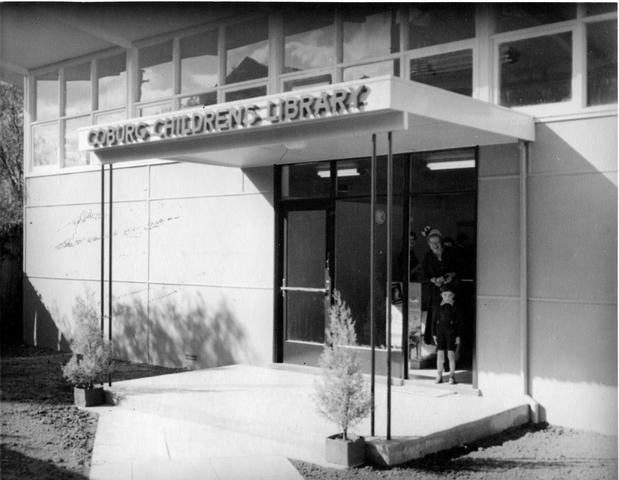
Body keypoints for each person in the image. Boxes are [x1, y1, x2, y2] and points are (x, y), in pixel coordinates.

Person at [421, 227, 458, 345]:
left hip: (449, 292)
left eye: (437, 243)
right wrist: (432, 279)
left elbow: (457, 270)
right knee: (436, 318)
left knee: (449, 317)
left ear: (441, 242)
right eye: (433, 243)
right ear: (429, 244)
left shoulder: (449, 253)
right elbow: (423, 275)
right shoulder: (428, 257)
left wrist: (447, 276)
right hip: (436, 292)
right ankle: (437, 344)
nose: (435, 245)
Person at [432, 285, 462, 384]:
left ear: (453, 296)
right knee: (440, 355)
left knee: (451, 355)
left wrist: (458, 336)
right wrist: (434, 334)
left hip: (451, 333)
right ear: (441, 295)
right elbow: (433, 321)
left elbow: (459, 322)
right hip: (440, 332)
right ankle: (439, 375)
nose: (447, 297)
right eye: (445, 295)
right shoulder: (438, 306)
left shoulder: (456, 307)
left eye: (449, 295)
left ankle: (452, 376)